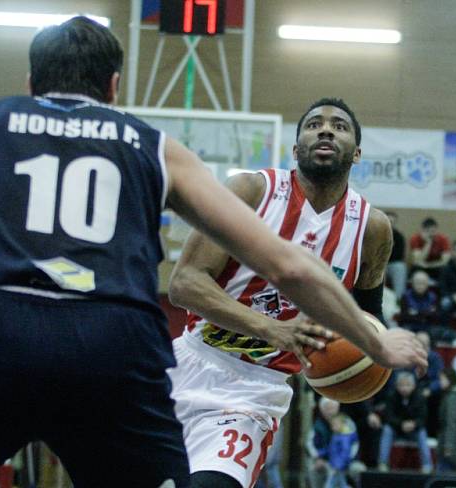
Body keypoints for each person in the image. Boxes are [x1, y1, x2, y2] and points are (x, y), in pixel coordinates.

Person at [0, 19, 425, 488]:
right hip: (111, 345)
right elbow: (289, 266)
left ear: (31, 81)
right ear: (116, 88)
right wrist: (377, 339)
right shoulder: (154, 145)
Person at [167, 98, 427, 488]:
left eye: (339, 126)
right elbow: (184, 284)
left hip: (255, 392)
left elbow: (366, 319)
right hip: (189, 362)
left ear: (356, 154)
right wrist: (275, 330)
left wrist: (378, 356)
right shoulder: (252, 190)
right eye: (313, 125)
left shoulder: (371, 230)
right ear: (295, 149)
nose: (325, 129)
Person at [377, 372, 432, 473]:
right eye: (401, 385)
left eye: (407, 385)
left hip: (414, 429)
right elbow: (388, 417)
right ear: (397, 386)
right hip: (397, 429)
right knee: (386, 429)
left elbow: (423, 418)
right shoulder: (391, 396)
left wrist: (414, 424)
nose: (404, 388)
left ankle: (427, 465)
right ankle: (383, 463)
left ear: (413, 386)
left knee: (422, 432)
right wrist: (401, 424)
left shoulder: (420, 397)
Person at [436, 367, 456, 472]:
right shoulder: (449, 395)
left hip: (452, 440)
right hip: (452, 438)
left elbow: (451, 422)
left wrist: (448, 446)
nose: (440, 382)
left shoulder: (452, 397)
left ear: (450, 379)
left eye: (442, 379)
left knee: (445, 475)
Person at [306, 397, 341, 488]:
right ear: (322, 410)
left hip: (342, 460)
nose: (331, 412)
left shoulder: (344, 424)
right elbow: (309, 444)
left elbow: (351, 444)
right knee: (314, 468)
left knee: (358, 468)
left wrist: (337, 433)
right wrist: (317, 458)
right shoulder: (318, 426)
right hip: (324, 460)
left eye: (333, 408)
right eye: (328, 409)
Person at [385, 211, 408, 299]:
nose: (390, 224)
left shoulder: (399, 237)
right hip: (378, 264)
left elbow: (399, 256)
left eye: (392, 222)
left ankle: (399, 300)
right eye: (388, 221)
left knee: (400, 267)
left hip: (392, 264)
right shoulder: (376, 234)